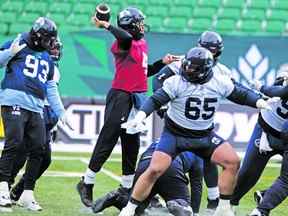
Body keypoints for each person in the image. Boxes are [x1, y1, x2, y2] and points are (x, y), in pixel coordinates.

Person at [119, 47, 273, 216]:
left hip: (204, 136)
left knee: (232, 161)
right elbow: (156, 100)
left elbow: (241, 95)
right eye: (186, 65)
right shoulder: (176, 82)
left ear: (203, 70)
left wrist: (260, 103)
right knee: (155, 169)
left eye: (191, 68)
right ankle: (130, 208)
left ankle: (223, 207)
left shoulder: (219, 81)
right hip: (175, 134)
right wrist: (140, 116)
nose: (186, 69)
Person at [76, 6, 178, 208]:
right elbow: (124, 37)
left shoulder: (140, 43)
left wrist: (161, 63)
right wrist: (105, 25)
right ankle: (86, 182)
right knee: (108, 138)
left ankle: (126, 189)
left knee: (132, 145)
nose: (142, 25)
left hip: (136, 97)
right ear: (130, 25)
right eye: (138, 22)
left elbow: (143, 72)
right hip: (121, 95)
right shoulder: (123, 42)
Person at [0, 17, 65, 212]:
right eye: (49, 38)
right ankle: (2, 187)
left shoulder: (46, 57)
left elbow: (51, 87)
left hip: (36, 107)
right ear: (38, 36)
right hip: (14, 101)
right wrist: (8, 54)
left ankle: (27, 194)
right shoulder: (18, 42)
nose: (52, 43)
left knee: (39, 149)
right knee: (14, 143)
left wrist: (61, 111)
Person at [92, 141, 203, 216]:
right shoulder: (197, 152)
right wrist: (196, 212)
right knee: (183, 205)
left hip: (145, 165)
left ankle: (119, 199)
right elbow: (196, 186)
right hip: (171, 166)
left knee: (136, 209)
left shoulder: (165, 137)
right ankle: (178, 203)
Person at [230, 72, 288, 215]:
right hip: (266, 132)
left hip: (285, 135)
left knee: (286, 180)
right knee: (248, 174)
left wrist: (260, 86)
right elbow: (275, 91)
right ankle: (229, 204)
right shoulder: (281, 83)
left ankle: (266, 197)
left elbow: (276, 91)